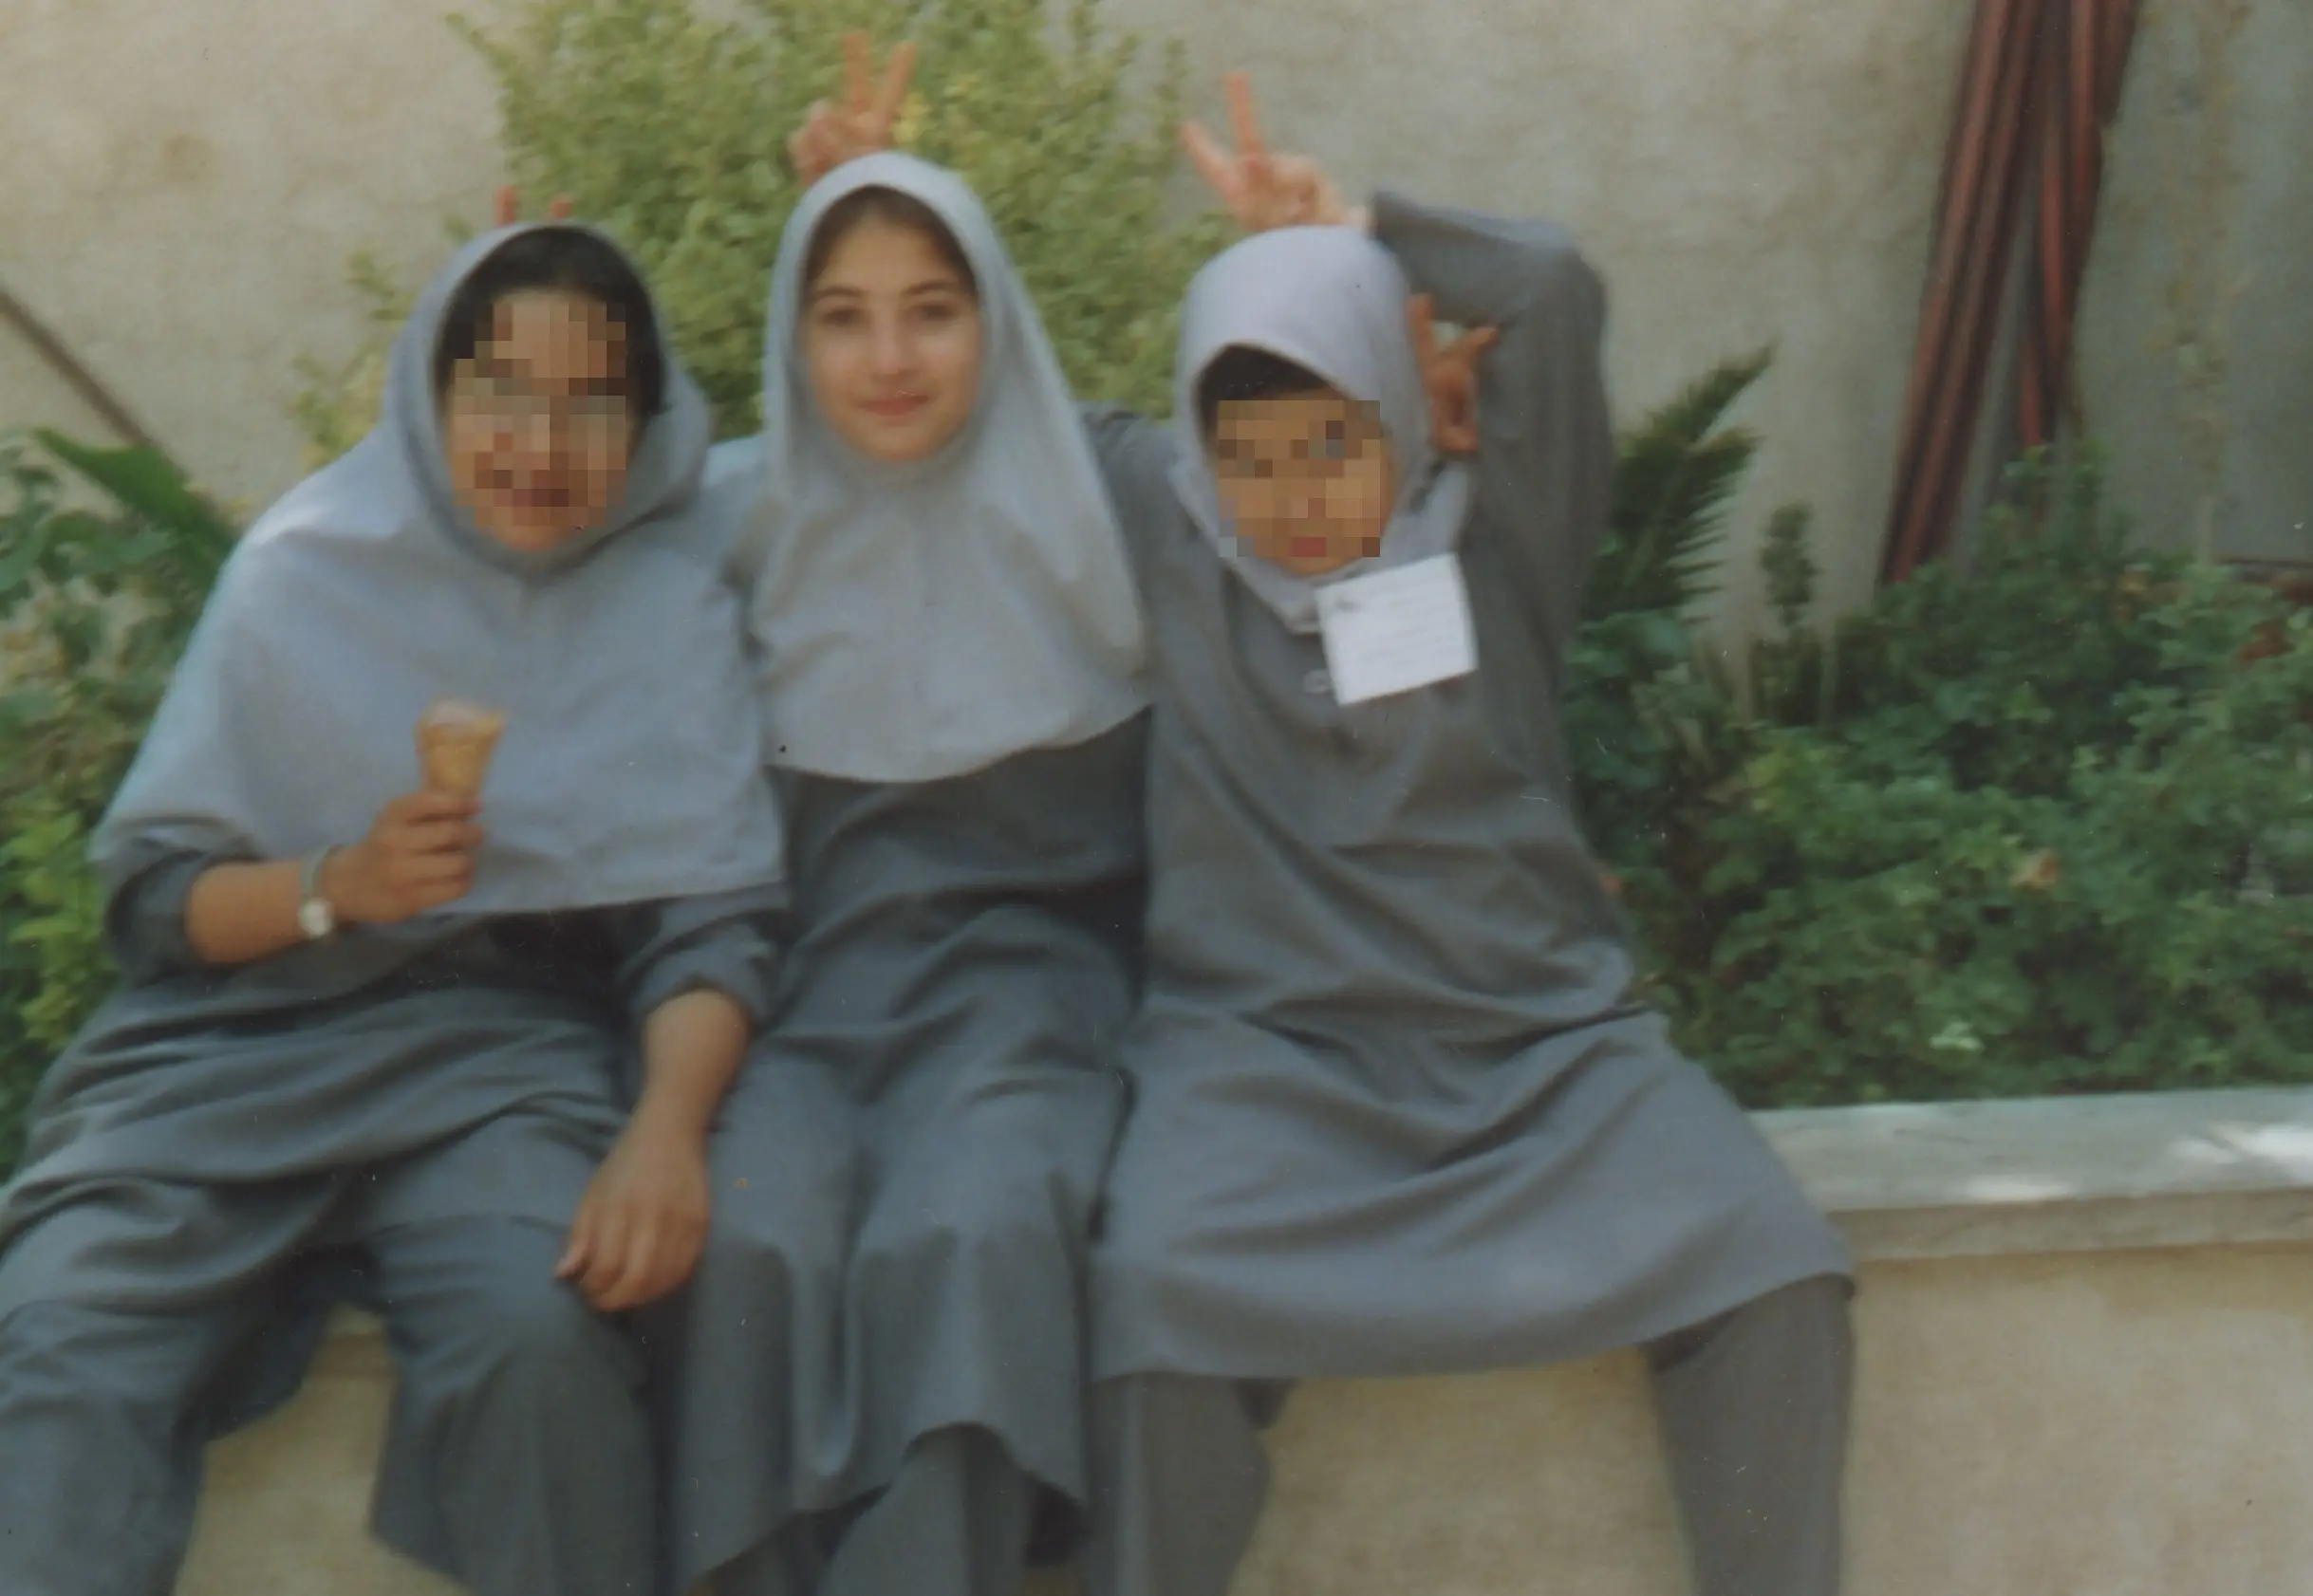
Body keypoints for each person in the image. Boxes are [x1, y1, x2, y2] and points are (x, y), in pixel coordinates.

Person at [1075, 77, 1856, 1596]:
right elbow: (952, 413)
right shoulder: (1170, 535)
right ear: (1200, 448)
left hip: (1544, 1060)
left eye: (1330, 443)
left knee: (1778, 1272)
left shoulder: (1500, 536)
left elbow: (1550, 285)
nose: (1291, 496)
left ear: (1395, 410)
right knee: (1151, 1310)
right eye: (1251, 452)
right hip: (1262, 1076)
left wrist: (1361, 236)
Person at [0, 216, 789, 1596]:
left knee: (538, 1338)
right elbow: (158, 907)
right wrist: (337, 885)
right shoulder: (306, 567)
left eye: (592, 401)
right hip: (230, 1053)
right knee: (59, 1334)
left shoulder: (668, 612)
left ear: (651, 424)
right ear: (432, 389)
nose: (541, 444)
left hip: (502, 1061)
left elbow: (708, 927)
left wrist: (665, 1131)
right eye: (501, 390)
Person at [661, 43, 1150, 1596]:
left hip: (1031, 1007)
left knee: (978, 1234)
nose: (889, 360)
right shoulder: (740, 518)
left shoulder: (1105, 493)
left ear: (995, 319)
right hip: (803, 1015)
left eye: (933, 310)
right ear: (791, 341)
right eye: (843, 314)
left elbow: (1315, 466)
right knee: (750, 1243)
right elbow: (524, 499)